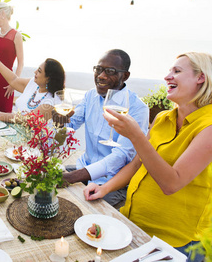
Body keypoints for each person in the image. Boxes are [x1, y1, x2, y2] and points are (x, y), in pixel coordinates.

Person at [83, 52, 212, 261]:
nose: (167, 76)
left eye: (177, 71)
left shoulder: (208, 126)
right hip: (133, 224)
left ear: (201, 78)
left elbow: (172, 183)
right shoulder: (163, 118)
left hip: (175, 243)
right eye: (170, 70)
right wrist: (105, 187)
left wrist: (136, 136)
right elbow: (136, 164)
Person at [57, 49, 149, 207]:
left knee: (77, 212)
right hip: (84, 168)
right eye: (99, 69)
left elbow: (121, 156)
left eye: (110, 71)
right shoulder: (90, 95)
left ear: (125, 76)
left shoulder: (137, 109)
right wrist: (60, 122)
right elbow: (71, 124)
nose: (101, 76)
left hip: (112, 183)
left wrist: (72, 178)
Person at [0, 56, 65, 122]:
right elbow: (14, 80)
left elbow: (26, 119)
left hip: (34, 141)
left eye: (39, 71)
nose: (35, 72)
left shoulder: (51, 102)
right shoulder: (34, 84)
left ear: (48, 79)